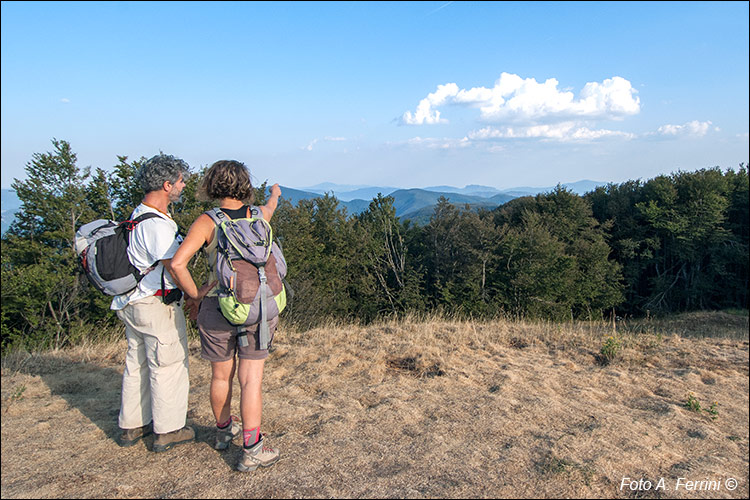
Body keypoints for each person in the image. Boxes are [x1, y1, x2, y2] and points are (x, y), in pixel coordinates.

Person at [170, 160, 282, 472]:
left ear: (211, 185)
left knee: (221, 376)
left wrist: (196, 295)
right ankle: (252, 447)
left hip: (219, 306)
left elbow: (178, 264)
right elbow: (271, 204)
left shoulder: (208, 222)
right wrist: (274, 193)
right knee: (251, 380)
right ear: (245, 185)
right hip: (256, 308)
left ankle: (222, 433)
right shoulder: (260, 215)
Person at [112, 153, 195, 452]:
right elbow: (175, 266)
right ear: (166, 184)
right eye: (181, 181)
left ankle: (133, 425)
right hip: (155, 305)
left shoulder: (139, 213)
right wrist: (194, 296)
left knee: (137, 364)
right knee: (168, 363)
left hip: (132, 301)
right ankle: (168, 429)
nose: (183, 186)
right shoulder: (158, 225)